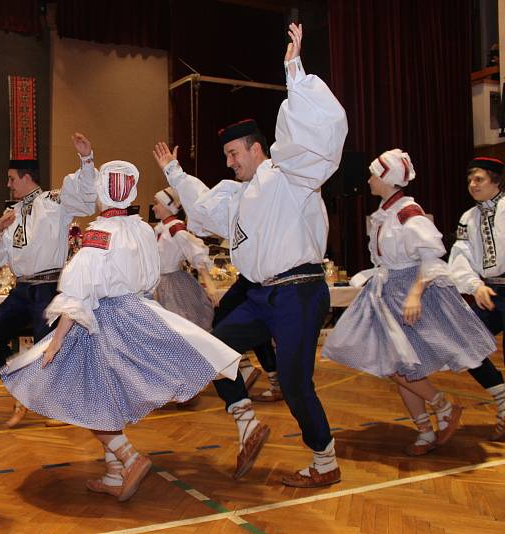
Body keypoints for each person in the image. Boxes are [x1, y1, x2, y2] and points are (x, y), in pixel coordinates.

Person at [153, 23, 347, 487]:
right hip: (262, 295)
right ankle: (246, 422)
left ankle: (325, 462)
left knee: (297, 384)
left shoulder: (290, 175)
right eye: (225, 154)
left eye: (235, 152)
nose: (229, 160)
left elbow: (315, 140)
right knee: (214, 349)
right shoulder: (236, 196)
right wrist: (174, 171)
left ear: (258, 148)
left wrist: (294, 73)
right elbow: (200, 205)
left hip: (299, 291)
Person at [0, 159, 241, 501]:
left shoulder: (100, 233)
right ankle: (114, 474)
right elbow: (151, 275)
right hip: (136, 312)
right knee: (106, 396)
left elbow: (81, 288)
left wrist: (57, 340)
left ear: (101, 192)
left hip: (101, 318)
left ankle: (128, 456)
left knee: (85, 395)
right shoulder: (141, 228)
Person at [323, 149, 493, 455]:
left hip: (405, 291)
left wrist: (415, 294)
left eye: (374, 174)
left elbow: (431, 255)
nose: (369, 180)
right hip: (387, 290)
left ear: (387, 178)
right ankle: (425, 429)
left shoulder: (407, 212)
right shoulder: (387, 211)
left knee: (398, 365)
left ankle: (442, 407)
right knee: (401, 364)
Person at [0, 141, 97, 427]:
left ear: (26, 177)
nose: (8, 185)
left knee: (49, 345)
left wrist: (86, 159)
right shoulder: (8, 216)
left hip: (47, 286)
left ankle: (59, 406)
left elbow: (84, 197)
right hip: (22, 289)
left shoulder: (55, 201)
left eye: (11, 179)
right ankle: (20, 389)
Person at [449, 156, 505, 441]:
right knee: (464, 341)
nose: (472, 184)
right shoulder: (468, 218)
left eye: (479, 179)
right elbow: (460, 258)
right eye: (470, 178)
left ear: (496, 180)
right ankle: (503, 400)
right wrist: (475, 285)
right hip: (491, 291)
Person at [151, 186, 217, 331]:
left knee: (180, 326)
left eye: (156, 203)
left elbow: (195, 251)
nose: (154, 208)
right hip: (160, 284)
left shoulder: (175, 228)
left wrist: (209, 284)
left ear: (167, 205)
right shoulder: (162, 228)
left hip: (173, 285)